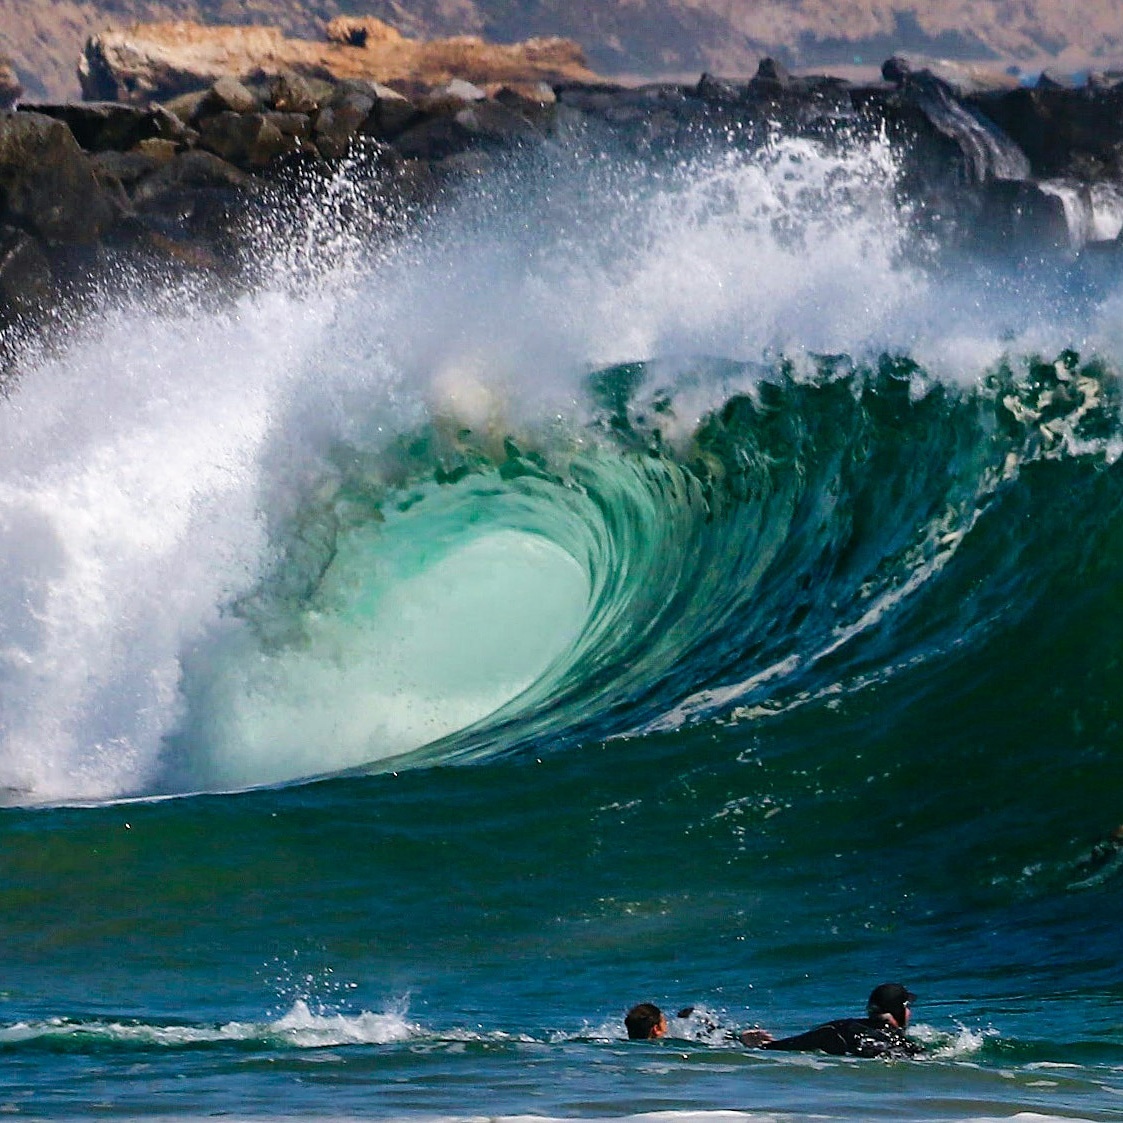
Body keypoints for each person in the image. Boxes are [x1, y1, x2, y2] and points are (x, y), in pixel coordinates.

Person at [739, 983, 923, 1058]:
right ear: (898, 1011)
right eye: (907, 1007)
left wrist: (767, 1046)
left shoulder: (842, 1026)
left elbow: (816, 1039)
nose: (909, 1013)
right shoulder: (898, 1041)